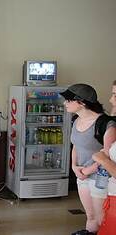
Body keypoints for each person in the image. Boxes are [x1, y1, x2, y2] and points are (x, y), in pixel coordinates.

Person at [60, 84, 116, 235]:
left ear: (81, 102)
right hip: (82, 175)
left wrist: (86, 170)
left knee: (101, 218)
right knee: (90, 216)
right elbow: (76, 146)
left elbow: (108, 155)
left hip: (100, 178)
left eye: (68, 100)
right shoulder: (75, 120)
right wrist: (74, 166)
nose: (64, 103)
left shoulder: (106, 124)